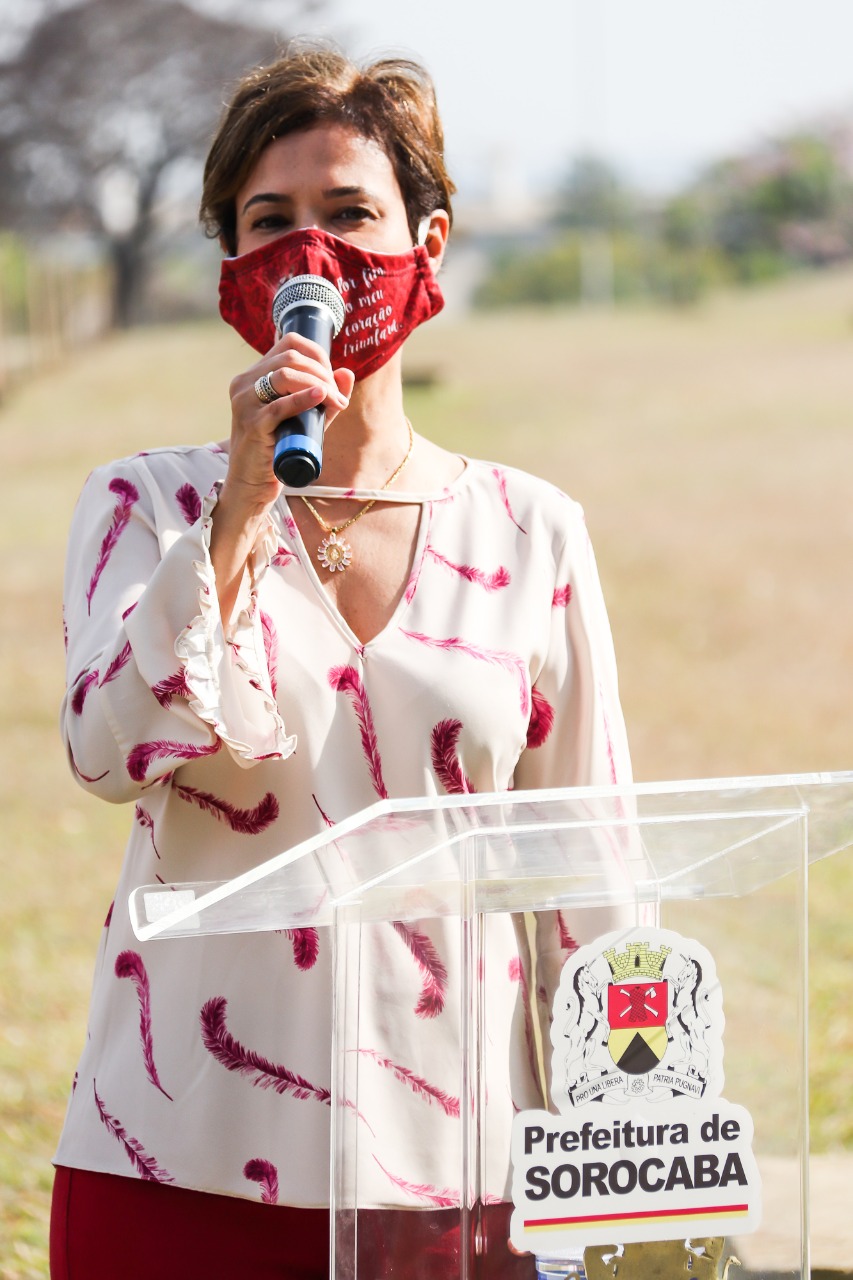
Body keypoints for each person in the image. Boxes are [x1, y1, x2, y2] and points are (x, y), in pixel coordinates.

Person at [50, 43, 632, 1280]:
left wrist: (623, 1148)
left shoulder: (530, 529)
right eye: (271, 221)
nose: (311, 253)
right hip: (176, 1157)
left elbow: (590, 871)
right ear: (231, 270)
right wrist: (236, 517)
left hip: (457, 1174)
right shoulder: (142, 506)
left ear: (428, 245)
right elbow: (105, 751)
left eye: (351, 212)